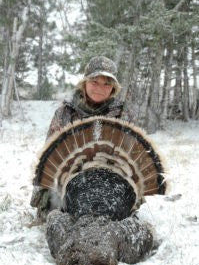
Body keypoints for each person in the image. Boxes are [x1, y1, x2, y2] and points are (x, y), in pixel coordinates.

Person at [30, 56, 134, 222]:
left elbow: (130, 158)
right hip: (69, 177)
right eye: (94, 82)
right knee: (56, 216)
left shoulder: (122, 114)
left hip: (108, 178)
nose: (100, 88)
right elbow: (50, 158)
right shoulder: (65, 112)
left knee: (117, 214)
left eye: (106, 83)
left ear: (113, 88)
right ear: (84, 83)